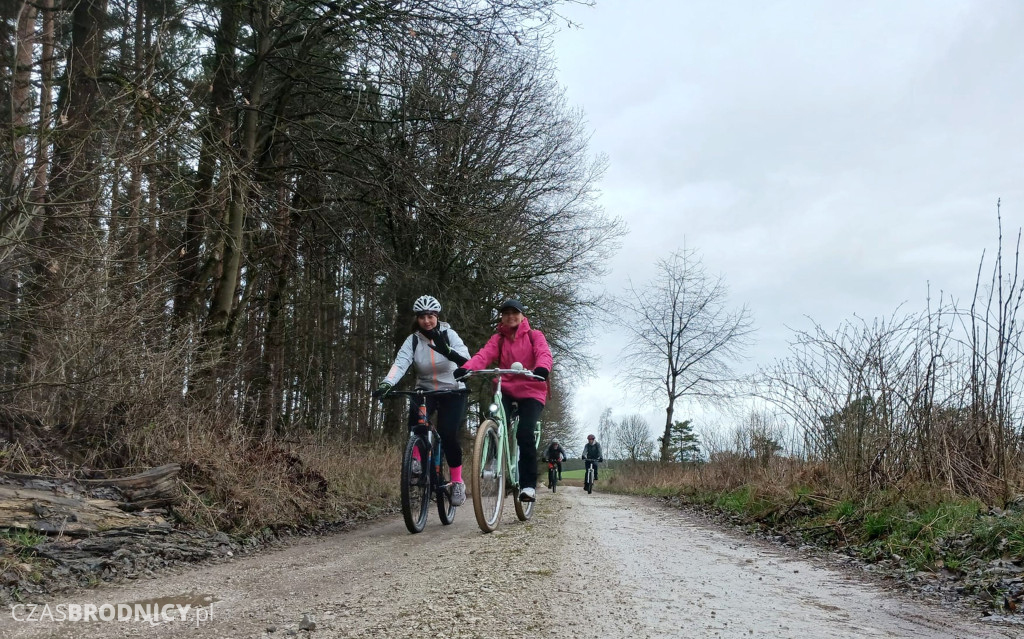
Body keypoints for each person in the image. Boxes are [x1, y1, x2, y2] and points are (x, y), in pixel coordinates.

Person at [374, 295, 471, 506]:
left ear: (437, 316)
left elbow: (468, 361)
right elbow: (400, 364)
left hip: (453, 390)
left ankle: (456, 482)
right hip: (426, 389)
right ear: (417, 319)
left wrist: (449, 351)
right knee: (416, 425)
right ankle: (416, 461)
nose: (426, 321)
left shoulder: (449, 334)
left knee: (447, 434)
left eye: (430, 316)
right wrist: (386, 383)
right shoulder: (414, 340)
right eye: (422, 317)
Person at [454, 298, 552, 503]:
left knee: (525, 432)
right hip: (505, 388)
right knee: (496, 420)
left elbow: (544, 354)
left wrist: (542, 369)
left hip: (532, 389)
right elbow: (484, 355)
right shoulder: (498, 339)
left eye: (514, 312)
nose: (510, 316)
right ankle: (492, 460)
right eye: (506, 313)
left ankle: (527, 486)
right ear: (502, 317)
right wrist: (467, 368)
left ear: (523, 315)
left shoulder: (535, 336)